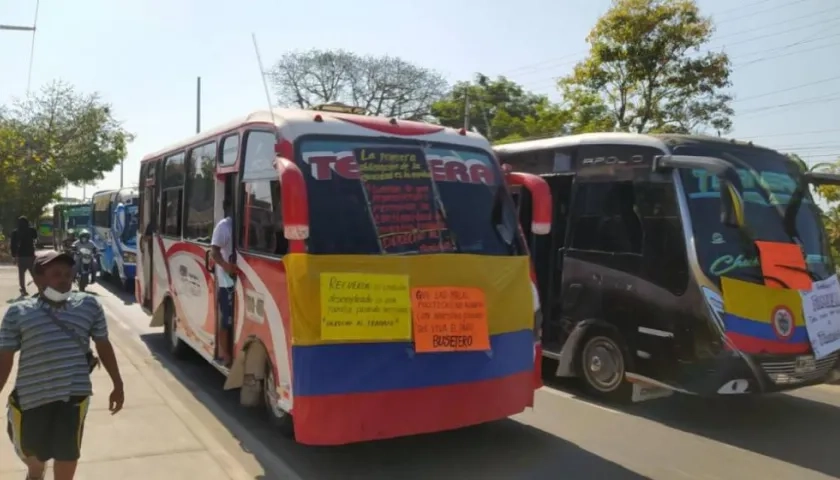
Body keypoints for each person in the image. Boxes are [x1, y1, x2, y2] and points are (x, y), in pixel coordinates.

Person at [0, 251, 125, 480]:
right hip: (31, 398)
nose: (64, 279)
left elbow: (103, 345)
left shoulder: (89, 305)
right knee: (34, 456)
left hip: (73, 397)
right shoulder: (18, 313)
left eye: (68, 274)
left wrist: (118, 383)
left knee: (68, 454)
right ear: (38, 279)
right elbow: (4, 358)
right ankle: (35, 473)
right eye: (56, 274)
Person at [211, 199, 237, 366]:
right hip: (227, 283)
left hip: (241, 281)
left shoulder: (246, 224)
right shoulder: (224, 226)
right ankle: (225, 354)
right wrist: (226, 266)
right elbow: (214, 252)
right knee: (226, 320)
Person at [10, 216, 38, 296]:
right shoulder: (31, 230)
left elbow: (13, 245)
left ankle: (23, 289)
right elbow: (35, 236)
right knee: (34, 273)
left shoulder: (15, 232)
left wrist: (14, 256)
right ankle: (40, 288)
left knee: (21, 274)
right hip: (30, 255)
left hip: (21, 256)